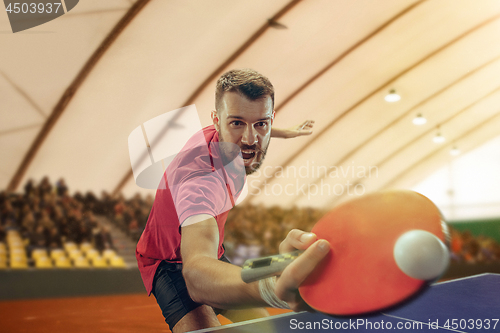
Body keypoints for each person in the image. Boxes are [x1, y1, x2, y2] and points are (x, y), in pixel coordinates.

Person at [136, 69, 329, 333]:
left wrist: (288, 132)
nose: (250, 139)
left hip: (214, 254)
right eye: (236, 123)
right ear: (217, 120)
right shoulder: (200, 180)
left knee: (264, 328)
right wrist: (270, 287)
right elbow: (195, 273)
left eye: (261, 124)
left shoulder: (228, 132)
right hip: (171, 262)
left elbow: (253, 125)